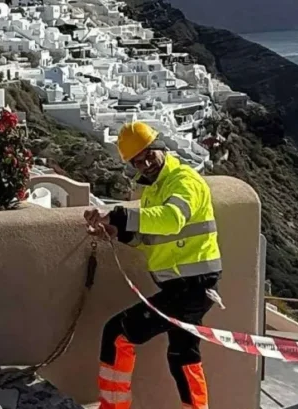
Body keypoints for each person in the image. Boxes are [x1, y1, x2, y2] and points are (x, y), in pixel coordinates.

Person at [84, 121, 222, 409]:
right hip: (187, 287)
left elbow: (171, 220)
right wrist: (116, 233)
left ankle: (113, 407)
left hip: (191, 287)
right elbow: (149, 237)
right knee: (183, 355)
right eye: (137, 160)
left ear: (160, 146)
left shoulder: (184, 180)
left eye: (148, 154)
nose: (145, 163)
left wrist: (118, 215)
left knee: (117, 333)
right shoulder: (154, 192)